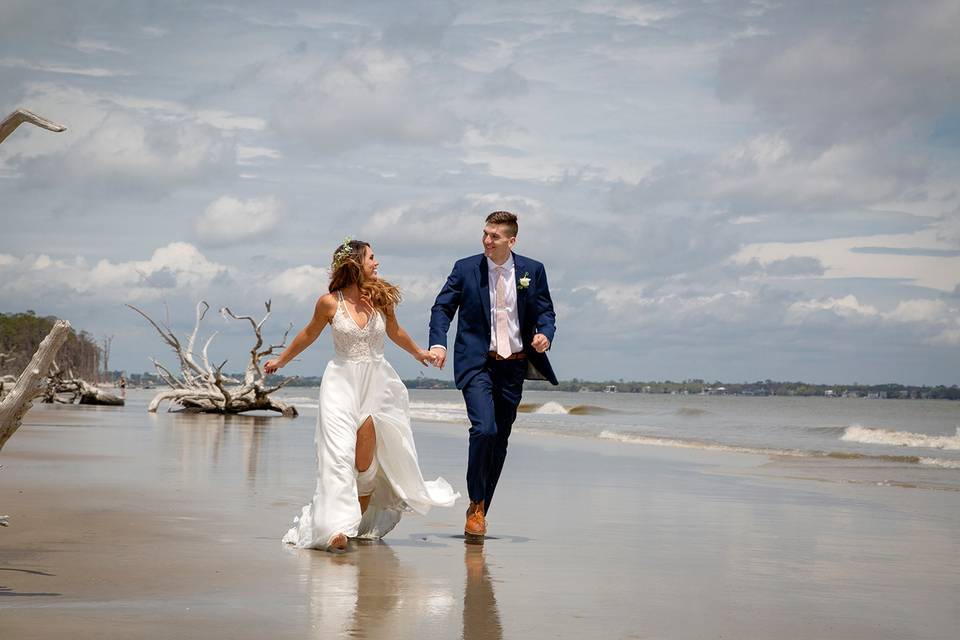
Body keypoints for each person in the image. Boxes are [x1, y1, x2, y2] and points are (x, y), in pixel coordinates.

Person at [266, 238, 459, 552]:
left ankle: (354, 520)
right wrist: (281, 360)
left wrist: (418, 353)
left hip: (376, 385)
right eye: (371, 257)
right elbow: (308, 334)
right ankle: (335, 529)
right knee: (338, 455)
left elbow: (395, 331)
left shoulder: (381, 299)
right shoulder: (329, 302)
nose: (377, 262)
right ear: (355, 264)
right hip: (340, 384)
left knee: (365, 463)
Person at [429, 211, 557, 543]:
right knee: (484, 429)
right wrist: (438, 343)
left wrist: (544, 334)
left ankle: (481, 508)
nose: (487, 240)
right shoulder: (465, 268)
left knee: (500, 440)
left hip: (512, 366)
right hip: (476, 363)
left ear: (511, 241)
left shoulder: (532, 270)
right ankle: (475, 504)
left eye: (495, 236)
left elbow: (545, 311)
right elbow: (442, 307)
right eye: (485, 234)